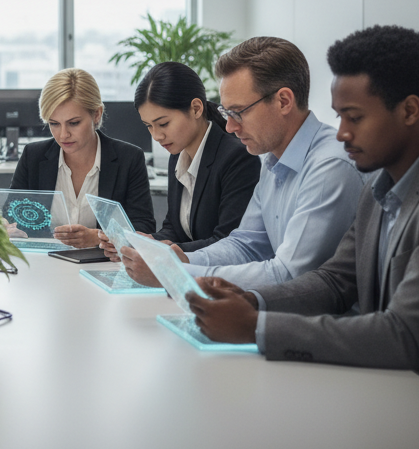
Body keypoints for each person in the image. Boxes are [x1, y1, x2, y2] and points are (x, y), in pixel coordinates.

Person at [188, 25, 419, 394]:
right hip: (387, 385)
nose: (342, 133)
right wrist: (249, 300)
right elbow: (335, 281)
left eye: (354, 117)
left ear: (409, 110)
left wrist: (255, 326)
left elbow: (403, 334)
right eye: (339, 116)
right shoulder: (380, 183)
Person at [119, 36, 364, 287]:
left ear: (283, 101)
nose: (230, 126)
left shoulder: (329, 167)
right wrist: (182, 258)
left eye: (238, 112)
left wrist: (174, 273)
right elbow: (246, 244)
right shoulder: (272, 160)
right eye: (226, 112)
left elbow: (290, 275)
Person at [110, 62, 260, 253]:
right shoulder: (178, 154)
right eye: (149, 126)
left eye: (163, 124)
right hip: (190, 272)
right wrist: (145, 242)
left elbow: (229, 242)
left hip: (220, 277)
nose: (156, 136)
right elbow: (174, 228)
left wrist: (170, 250)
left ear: (196, 109)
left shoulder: (237, 158)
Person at [9, 68, 156, 248]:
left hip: (101, 264)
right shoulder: (33, 155)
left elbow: (144, 227)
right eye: (54, 124)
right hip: (45, 261)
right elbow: (11, 216)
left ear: (96, 114)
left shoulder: (129, 158)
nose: (63, 135)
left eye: (74, 123)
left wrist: (99, 237)